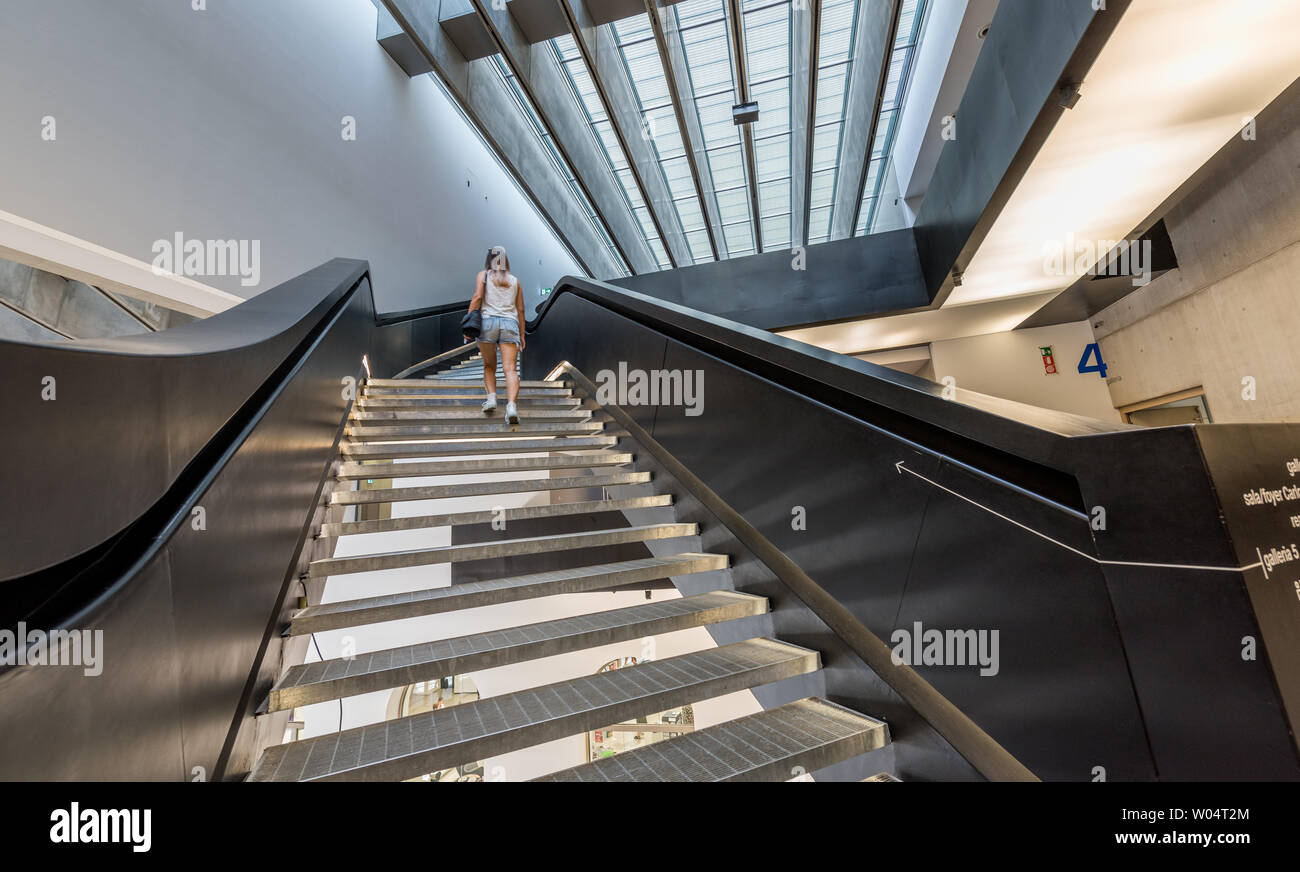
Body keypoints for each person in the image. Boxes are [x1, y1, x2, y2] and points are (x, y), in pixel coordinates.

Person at [464, 245, 526, 424]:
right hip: (510, 324)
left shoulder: (483, 275)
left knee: (489, 365)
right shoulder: (515, 281)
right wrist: (521, 335)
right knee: (511, 369)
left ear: (489, 260)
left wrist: (468, 326)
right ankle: (512, 406)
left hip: (488, 322)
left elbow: (477, 297)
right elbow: (520, 310)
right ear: (506, 260)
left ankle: (491, 399)